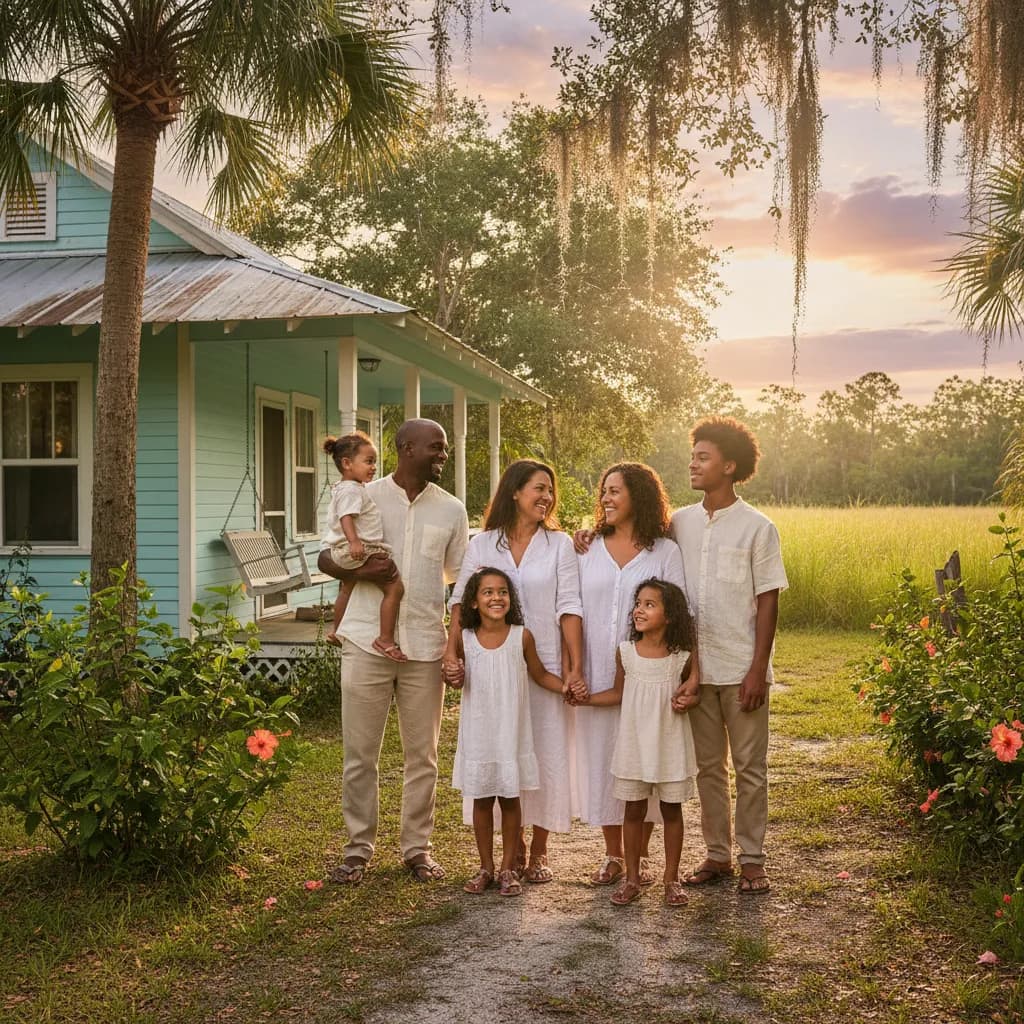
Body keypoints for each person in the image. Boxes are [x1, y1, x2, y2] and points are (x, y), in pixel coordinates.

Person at [325, 419, 468, 886]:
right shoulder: (363, 494)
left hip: (425, 646)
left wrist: (453, 647)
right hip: (367, 639)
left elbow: (459, 582)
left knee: (422, 756)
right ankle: (357, 850)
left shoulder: (451, 510)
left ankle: (416, 850)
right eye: (436, 448)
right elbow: (327, 557)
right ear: (407, 449)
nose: (443, 456)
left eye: (444, 449)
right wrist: (365, 571)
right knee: (359, 754)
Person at [444, 460, 583, 883]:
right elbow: (459, 601)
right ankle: (508, 851)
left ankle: (538, 850)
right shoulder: (484, 543)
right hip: (488, 668)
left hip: (544, 666)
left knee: (545, 753)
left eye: (550, 491)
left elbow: (570, 607)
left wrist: (574, 669)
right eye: (539, 488)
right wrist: (452, 655)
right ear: (515, 492)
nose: (546, 497)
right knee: (499, 752)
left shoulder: (558, 545)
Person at [672, 416, 788, 895]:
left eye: (704, 457)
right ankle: (717, 856)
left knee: (750, 768)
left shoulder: (758, 528)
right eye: (694, 455)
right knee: (707, 769)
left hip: (741, 668)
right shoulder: (679, 521)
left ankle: (753, 859)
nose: (694, 463)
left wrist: (757, 671)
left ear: (730, 465)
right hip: (696, 670)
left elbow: (768, 599)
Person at [571, 462, 685, 888]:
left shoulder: (664, 552)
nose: (606, 498)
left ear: (638, 494)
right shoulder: (586, 547)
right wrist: (574, 667)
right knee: (605, 758)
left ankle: (638, 855)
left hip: (648, 674)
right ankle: (613, 855)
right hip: (598, 665)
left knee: (645, 756)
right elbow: (574, 609)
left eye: (615, 491)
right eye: (604, 491)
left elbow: (679, 611)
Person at [578, 578, 700, 907]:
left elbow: (693, 695)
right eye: (638, 603)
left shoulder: (682, 658)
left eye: (649, 604)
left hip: (669, 744)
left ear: (670, 615)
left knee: (672, 811)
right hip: (634, 746)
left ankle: (671, 879)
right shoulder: (626, 653)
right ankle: (632, 877)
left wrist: (689, 700)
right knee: (633, 810)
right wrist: (586, 700)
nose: (639, 610)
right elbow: (618, 694)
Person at [449, 568, 565, 897]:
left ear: (510, 599)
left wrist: (568, 687)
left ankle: (507, 868)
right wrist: (451, 675)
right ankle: (485, 866)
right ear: (473, 601)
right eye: (487, 592)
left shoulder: (521, 636)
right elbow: (453, 676)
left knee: (511, 799)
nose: (496, 597)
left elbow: (541, 675)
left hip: (510, 733)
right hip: (479, 733)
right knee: (482, 800)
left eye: (502, 592)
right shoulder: (465, 639)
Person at [320, 432, 406, 661]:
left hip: (341, 550)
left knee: (347, 587)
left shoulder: (346, 487)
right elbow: (346, 517)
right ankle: (385, 639)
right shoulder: (351, 489)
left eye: (374, 462)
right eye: (368, 461)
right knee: (394, 588)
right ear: (347, 463)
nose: (374, 467)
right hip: (359, 548)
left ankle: (337, 632)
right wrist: (355, 542)